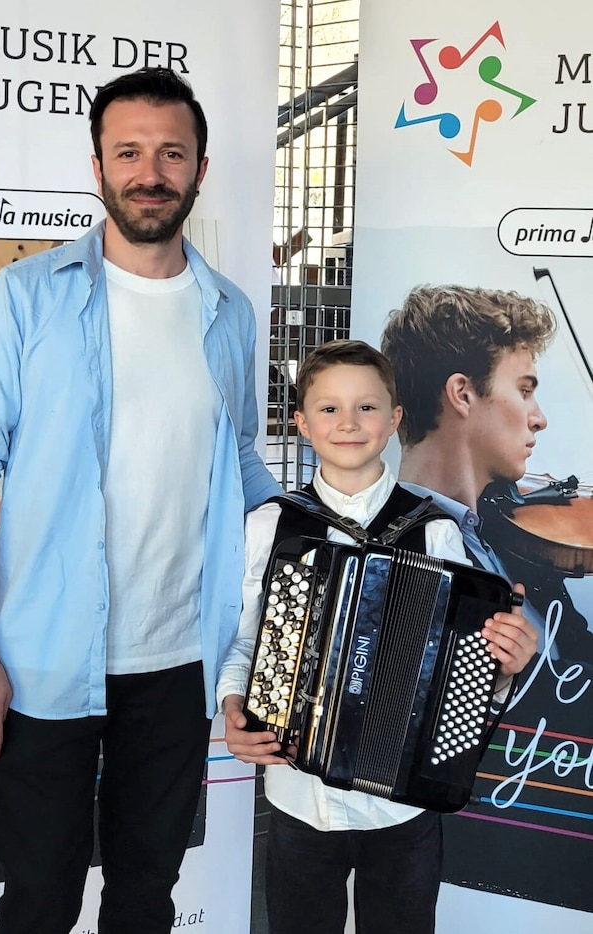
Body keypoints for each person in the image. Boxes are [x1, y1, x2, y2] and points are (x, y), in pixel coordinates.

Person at [0, 67, 279, 934]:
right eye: (128, 152)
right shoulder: (28, 295)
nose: (149, 172)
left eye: (171, 153)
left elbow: (242, 464)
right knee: (39, 900)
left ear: (200, 169)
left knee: (143, 899)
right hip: (43, 666)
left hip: (176, 668)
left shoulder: (229, 312)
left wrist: (351, 531)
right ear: (97, 167)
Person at [217, 339, 537, 934]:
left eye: (367, 408)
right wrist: (234, 703)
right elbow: (242, 641)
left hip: (403, 806)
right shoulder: (269, 527)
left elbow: (463, 666)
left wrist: (505, 665)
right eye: (329, 408)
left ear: (394, 421)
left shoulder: (435, 530)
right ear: (301, 422)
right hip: (297, 796)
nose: (347, 423)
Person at [380, 284, 593, 665]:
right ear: (462, 394)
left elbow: (579, 660)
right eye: (524, 390)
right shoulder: (394, 560)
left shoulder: (509, 536)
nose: (539, 419)